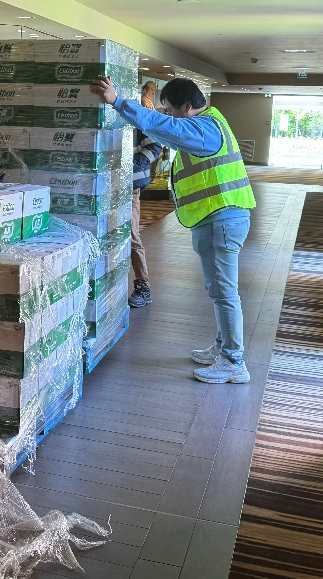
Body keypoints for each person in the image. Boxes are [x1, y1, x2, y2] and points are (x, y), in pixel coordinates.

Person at [90, 75, 256, 383]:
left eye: (170, 109)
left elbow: (165, 127)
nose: (168, 115)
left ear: (187, 106)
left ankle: (234, 361)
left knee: (225, 293)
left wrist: (117, 102)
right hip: (216, 218)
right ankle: (223, 347)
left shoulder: (204, 129)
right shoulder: (207, 125)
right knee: (218, 290)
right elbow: (162, 131)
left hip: (222, 219)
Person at [128, 128, 163, 308]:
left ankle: (143, 286)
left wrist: (134, 164)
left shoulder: (134, 120)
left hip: (129, 186)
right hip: (101, 185)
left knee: (132, 235)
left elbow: (155, 146)